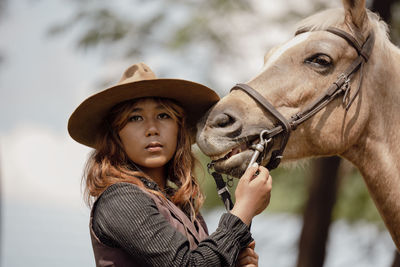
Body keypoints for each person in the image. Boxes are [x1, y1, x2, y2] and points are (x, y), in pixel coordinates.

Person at [68, 62, 272, 267]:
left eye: (163, 115)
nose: (152, 129)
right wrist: (244, 208)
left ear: (179, 128)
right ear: (116, 135)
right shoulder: (121, 199)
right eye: (135, 117)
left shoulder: (185, 207)